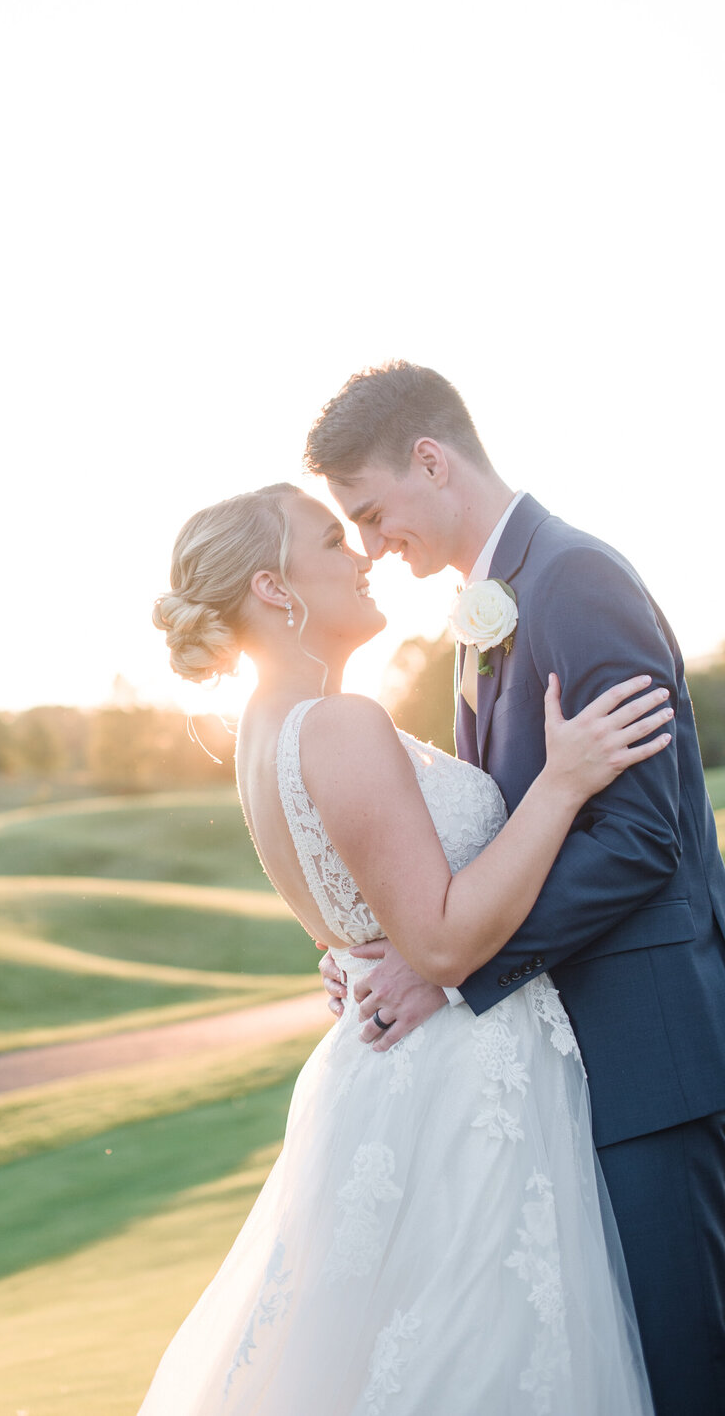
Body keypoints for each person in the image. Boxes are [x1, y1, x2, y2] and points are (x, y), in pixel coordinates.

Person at [141, 480, 664, 1415]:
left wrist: (350, 956)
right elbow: (444, 939)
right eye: (333, 540)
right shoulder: (337, 725)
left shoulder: (264, 730)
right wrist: (565, 780)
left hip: (406, 1071)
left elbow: (356, 929)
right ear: (275, 587)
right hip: (458, 1085)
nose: (361, 555)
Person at [306, 361, 725, 1416]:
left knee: (691, 1370)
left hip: (651, 1057)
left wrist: (448, 963)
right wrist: (389, 939)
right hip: (571, 1066)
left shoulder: (573, 578)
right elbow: (505, 836)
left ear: (432, 461)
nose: (368, 548)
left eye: (369, 512)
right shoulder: (486, 612)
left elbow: (641, 836)